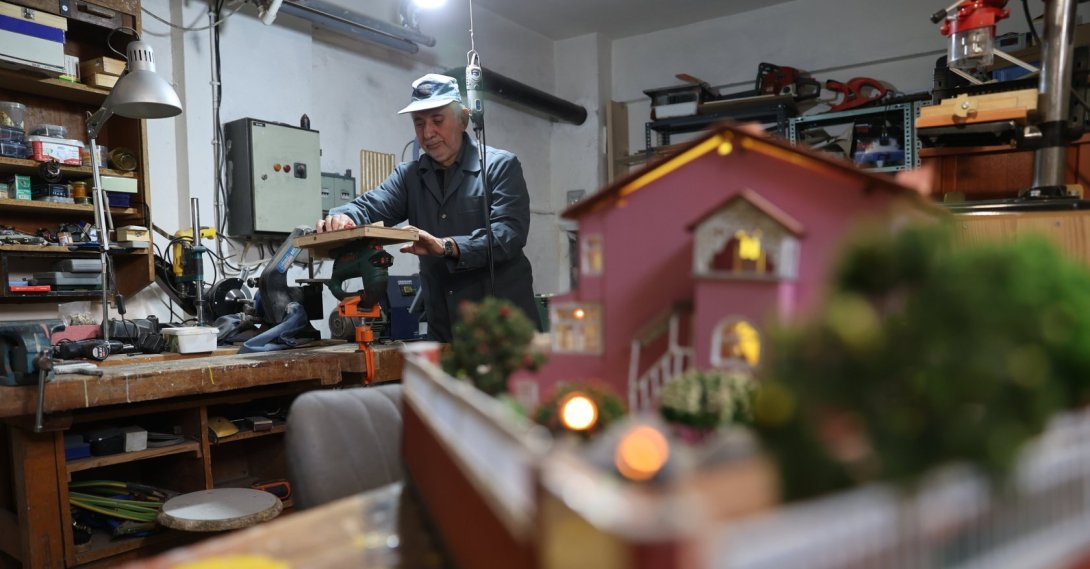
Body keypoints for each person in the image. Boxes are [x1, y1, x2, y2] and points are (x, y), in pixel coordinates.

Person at [317, 73, 540, 342]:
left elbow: (509, 235)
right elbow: (370, 206)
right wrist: (343, 216)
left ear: (463, 119)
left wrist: (447, 246)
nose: (428, 133)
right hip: (445, 333)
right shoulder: (410, 177)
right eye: (419, 123)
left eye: (437, 120)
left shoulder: (500, 166)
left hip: (503, 334)